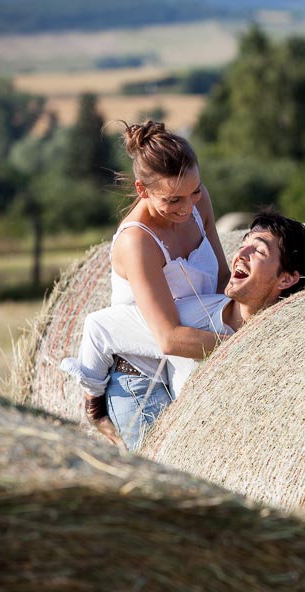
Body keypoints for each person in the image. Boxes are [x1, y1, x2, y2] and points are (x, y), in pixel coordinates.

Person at [63, 210, 305, 450]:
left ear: (286, 279)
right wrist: (94, 408)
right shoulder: (189, 317)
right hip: (136, 385)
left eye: (259, 251)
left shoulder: (290, 331)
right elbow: (98, 326)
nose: (241, 253)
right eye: (244, 243)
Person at [95, 120, 230, 449]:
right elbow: (168, 339)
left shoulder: (199, 203)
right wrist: (244, 344)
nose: (187, 207)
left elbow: (224, 279)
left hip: (193, 361)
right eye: (173, 200)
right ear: (142, 190)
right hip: (142, 382)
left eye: (194, 191)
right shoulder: (137, 242)